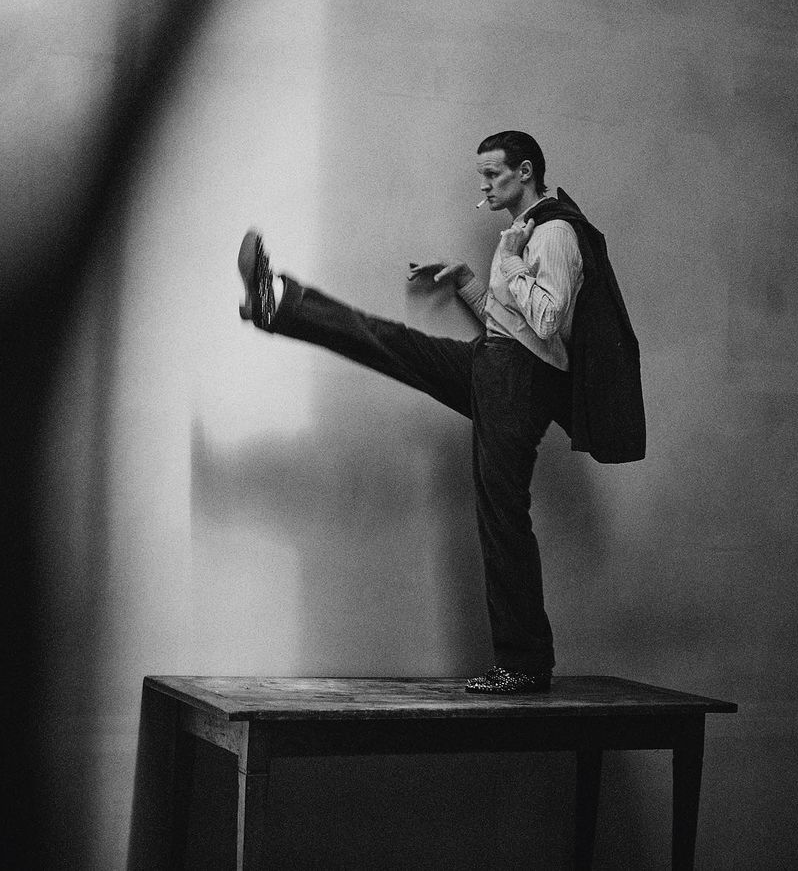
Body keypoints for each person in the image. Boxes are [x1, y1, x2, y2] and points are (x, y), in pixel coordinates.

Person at [237, 130, 587, 695]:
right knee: (390, 341)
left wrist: (505, 263)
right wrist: (468, 286)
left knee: (501, 520)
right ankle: (278, 301)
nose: (484, 186)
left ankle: (524, 663)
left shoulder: (555, 234)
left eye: (493, 174)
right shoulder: (525, 233)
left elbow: (547, 327)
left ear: (525, 173)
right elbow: (513, 326)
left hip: (520, 389)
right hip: (495, 366)